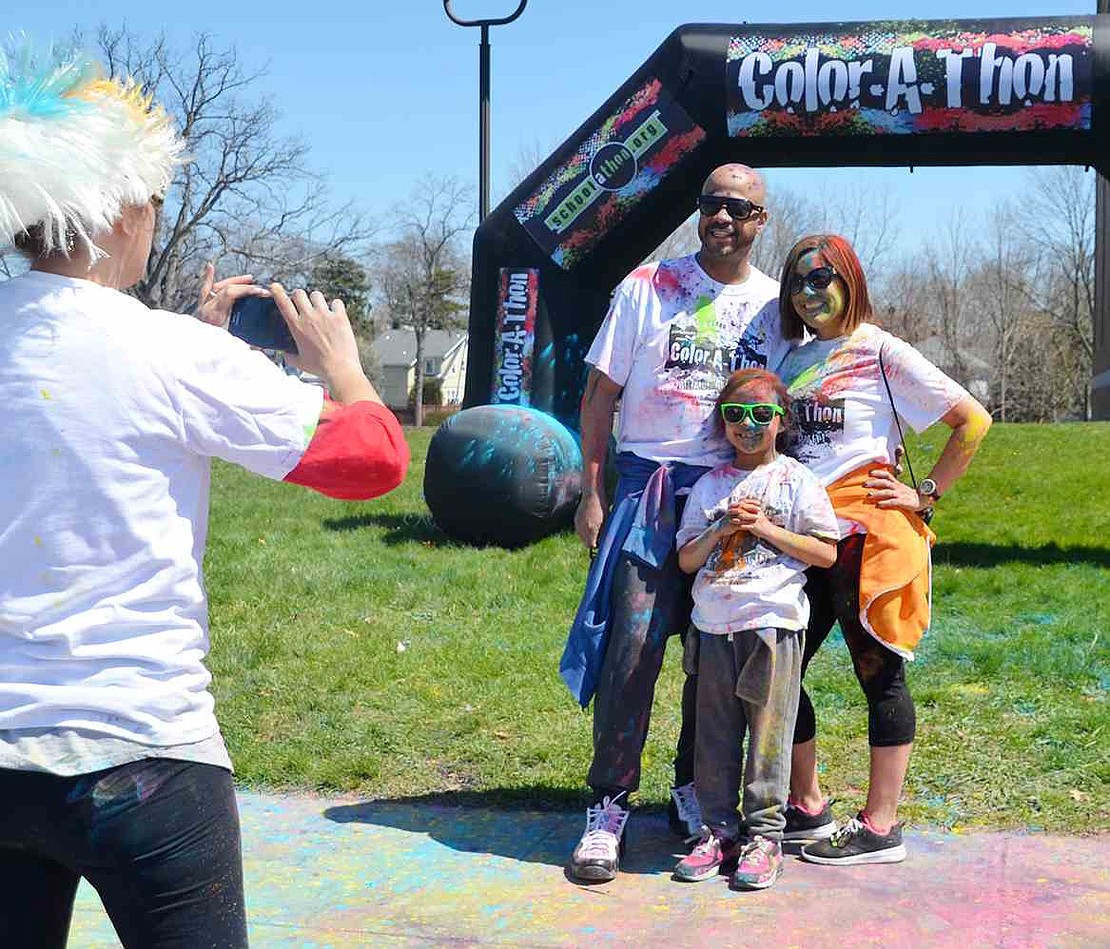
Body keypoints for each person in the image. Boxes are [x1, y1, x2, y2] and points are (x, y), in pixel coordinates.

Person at [0, 44, 408, 947]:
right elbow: (373, 458)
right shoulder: (174, 355)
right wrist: (343, 367)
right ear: (124, 209)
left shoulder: (162, 347)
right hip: (145, 753)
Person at [560, 164, 790, 882]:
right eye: (711, 204)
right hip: (649, 489)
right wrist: (591, 490)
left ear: (761, 220)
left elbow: (795, 406)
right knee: (631, 648)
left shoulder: (778, 308)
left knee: (717, 656)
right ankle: (609, 804)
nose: (722, 217)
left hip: (731, 495)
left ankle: (696, 792)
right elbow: (600, 394)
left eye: (738, 207)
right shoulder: (647, 287)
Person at [775, 234, 992, 865]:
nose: (808, 293)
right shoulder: (791, 358)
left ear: (851, 280)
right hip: (800, 538)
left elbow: (972, 420)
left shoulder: (879, 350)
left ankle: (880, 825)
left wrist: (922, 495)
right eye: (797, 282)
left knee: (879, 674)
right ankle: (807, 806)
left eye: (822, 279)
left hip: (865, 540)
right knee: (776, 671)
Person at [671, 368, 838, 890]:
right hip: (713, 626)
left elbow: (826, 552)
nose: (748, 424)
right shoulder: (709, 485)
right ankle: (716, 831)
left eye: (761, 414)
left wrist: (763, 527)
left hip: (773, 624)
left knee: (769, 733)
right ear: (722, 423)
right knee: (713, 735)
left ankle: (764, 834)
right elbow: (685, 560)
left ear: (780, 421)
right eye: (736, 414)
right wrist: (722, 527)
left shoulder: (796, 481)